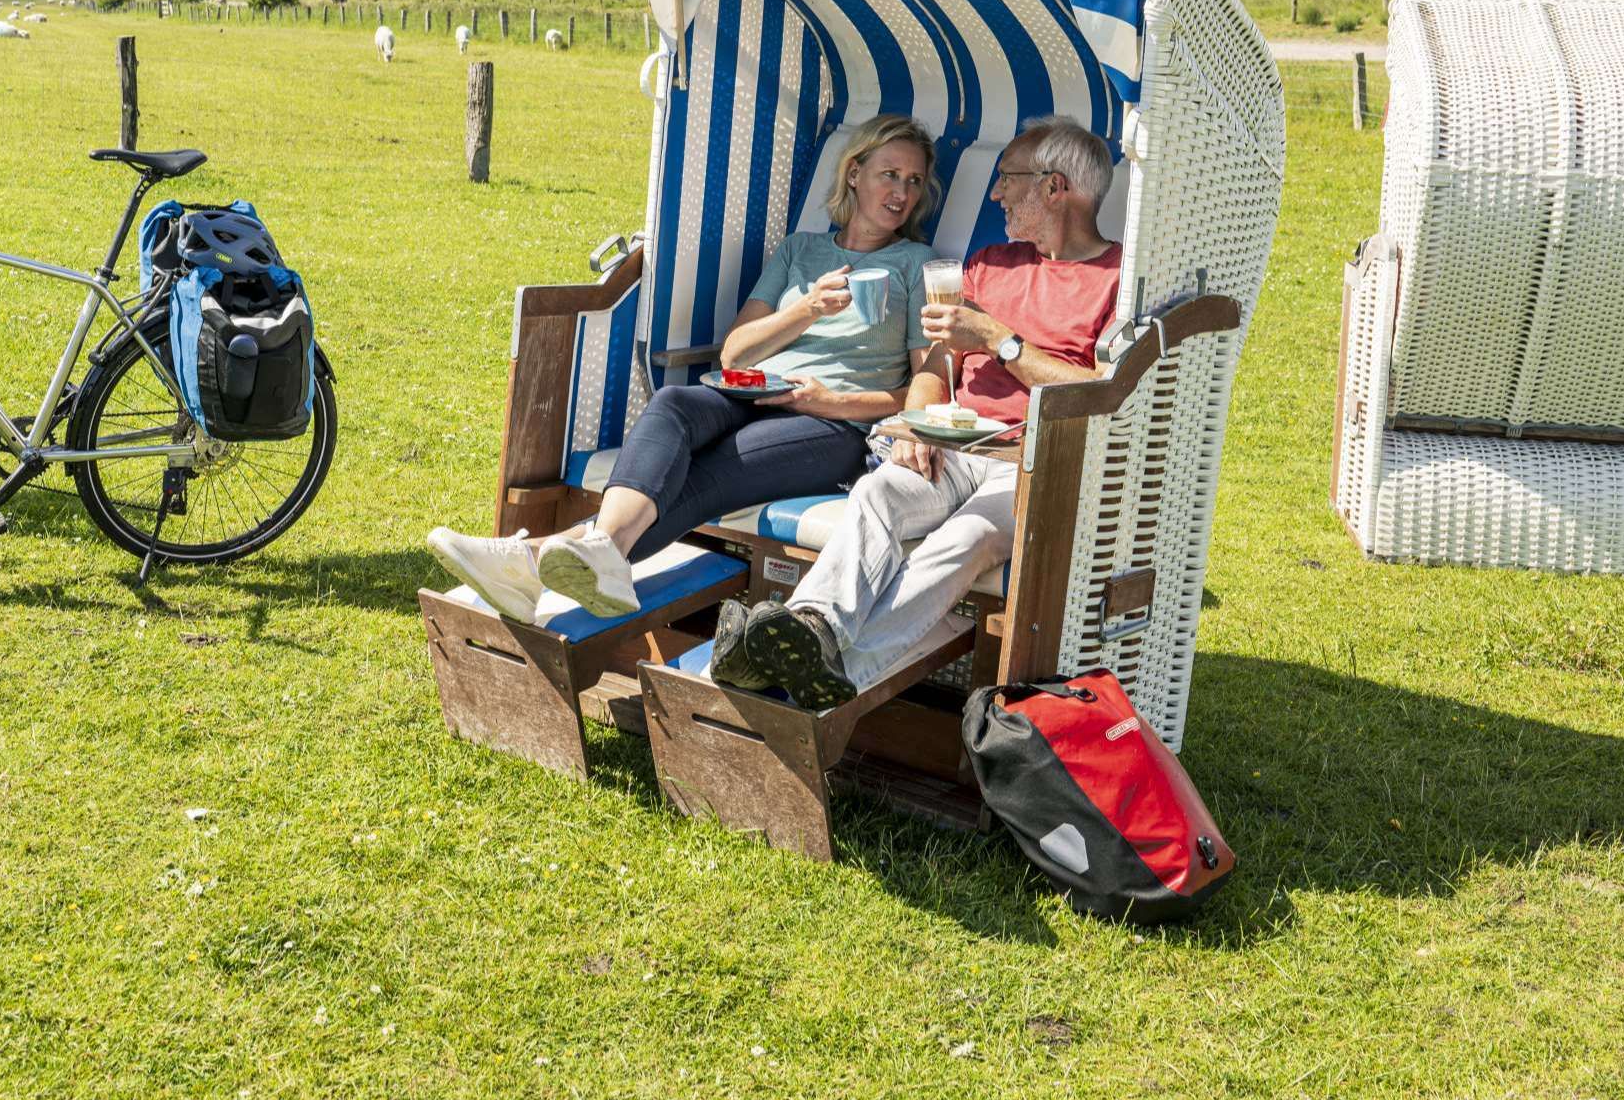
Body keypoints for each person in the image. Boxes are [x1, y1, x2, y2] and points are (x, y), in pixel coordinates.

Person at [427, 115, 944, 621]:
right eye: (890, 174)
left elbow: (926, 382)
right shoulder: (801, 250)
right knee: (673, 401)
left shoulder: (916, 264)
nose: (902, 191)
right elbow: (735, 354)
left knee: (709, 472)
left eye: (915, 181)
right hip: (753, 391)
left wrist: (831, 401)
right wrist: (806, 308)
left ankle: (530, 562)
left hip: (832, 425)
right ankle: (597, 552)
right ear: (855, 173)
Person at [723, 114, 1123, 707]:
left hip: (1035, 458)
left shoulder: (1117, 279)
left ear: (1053, 187)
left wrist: (1000, 341)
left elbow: (1099, 391)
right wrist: (919, 423)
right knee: (879, 494)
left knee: (965, 539)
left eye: (1007, 178)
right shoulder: (990, 263)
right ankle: (810, 628)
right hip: (958, 443)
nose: (995, 193)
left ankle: (823, 676)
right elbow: (935, 369)